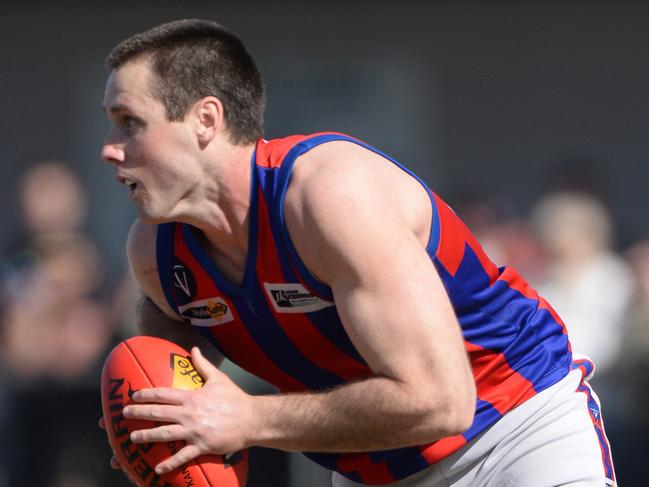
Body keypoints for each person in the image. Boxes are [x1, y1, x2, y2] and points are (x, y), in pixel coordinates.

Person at [100, 19, 615, 486]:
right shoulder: (156, 256)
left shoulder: (328, 196)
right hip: (374, 471)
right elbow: (177, 384)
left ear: (205, 120)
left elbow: (440, 401)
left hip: (514, 433)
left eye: (131, 122)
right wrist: (154, 417)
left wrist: (248, 419)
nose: (110, 147)